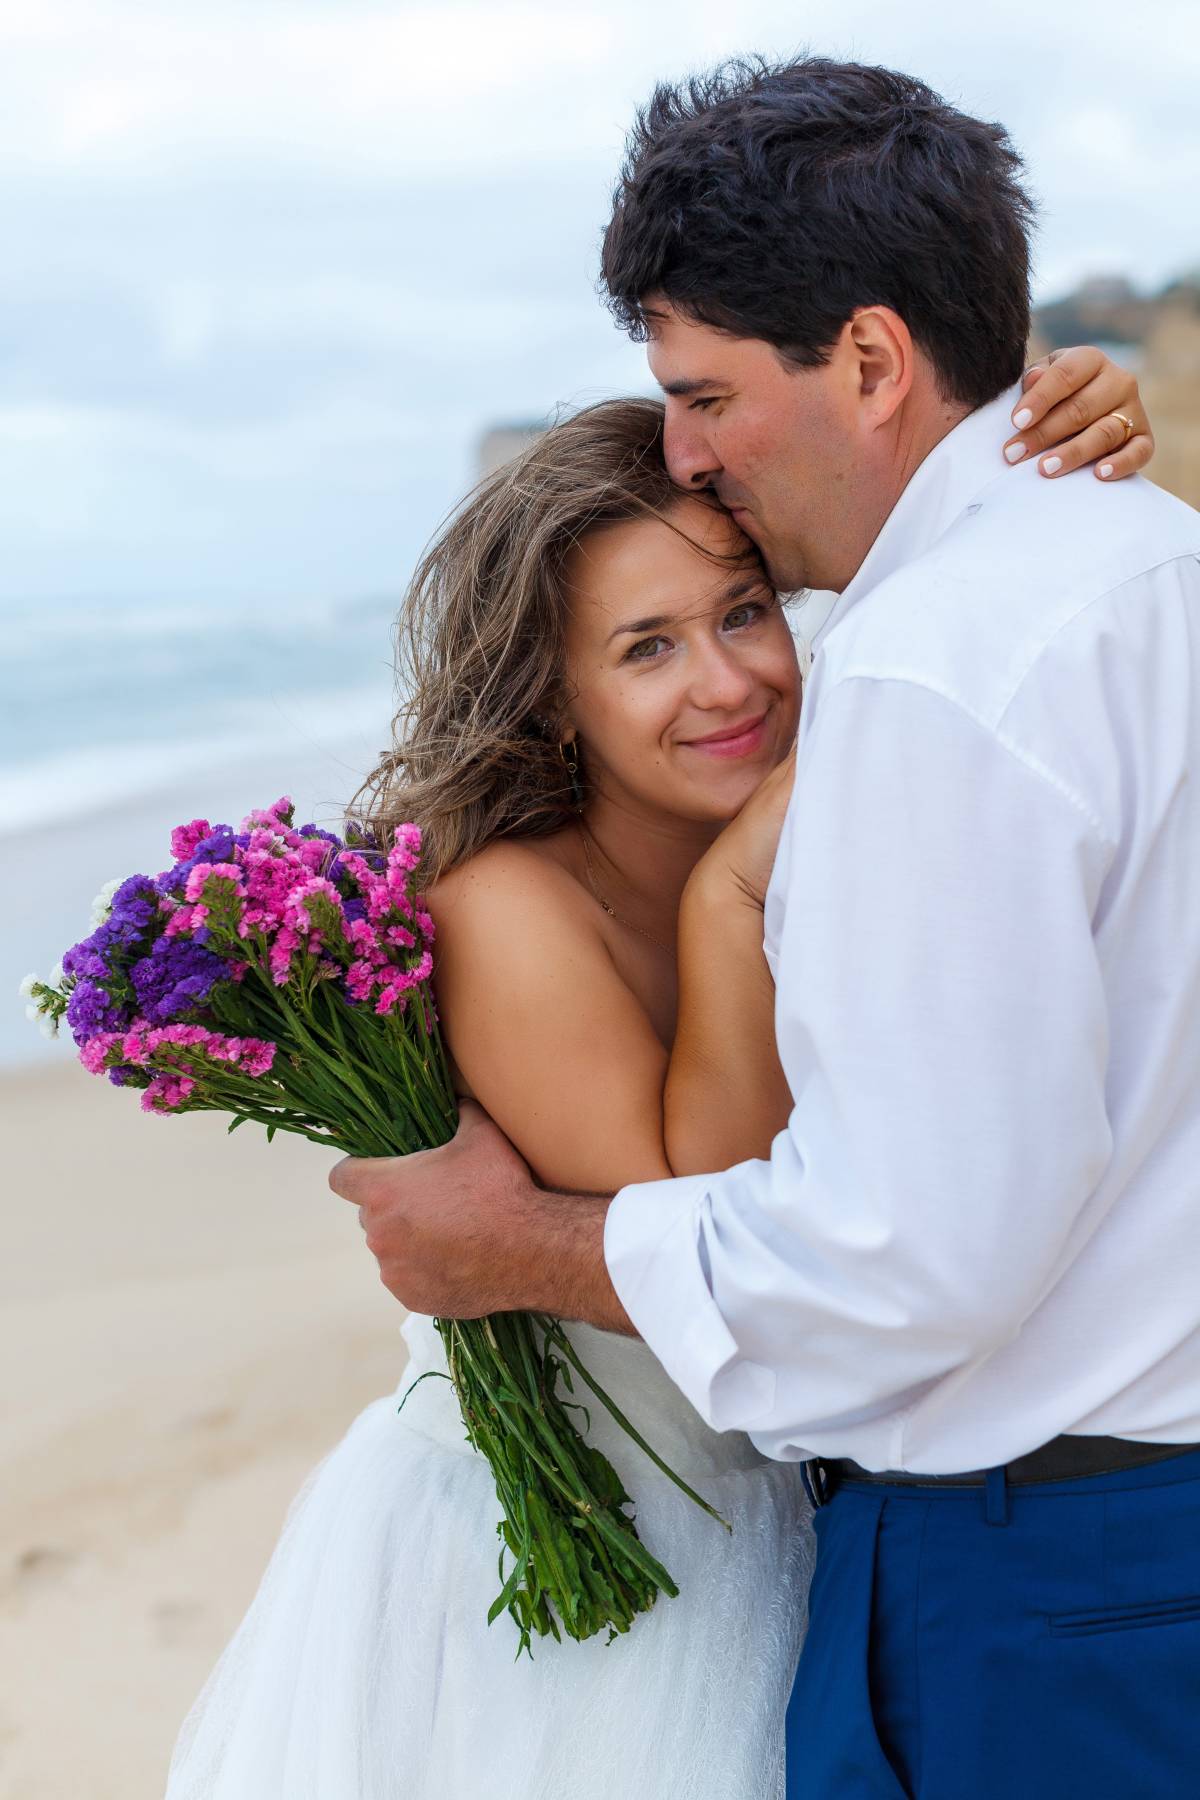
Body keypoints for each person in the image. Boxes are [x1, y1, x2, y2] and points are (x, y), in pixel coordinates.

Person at [334, 57, 1200, 1800]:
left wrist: (515, 1253)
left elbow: (910, 1258)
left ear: (872, 359)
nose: (687, 447)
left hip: (1048, 1582)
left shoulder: (931, 673)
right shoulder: (1148, 559)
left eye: (705, 393)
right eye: (647, 643)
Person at [165, 359, 1146, 1794]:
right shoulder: (508, 905)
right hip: (599, 1557)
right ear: (554, 701)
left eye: (744, 611)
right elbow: (699, 1224)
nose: (730, 680)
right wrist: (727, 898)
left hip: (804, 1521)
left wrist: (1041, 449)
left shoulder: (857, 810)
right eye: (647, 649)